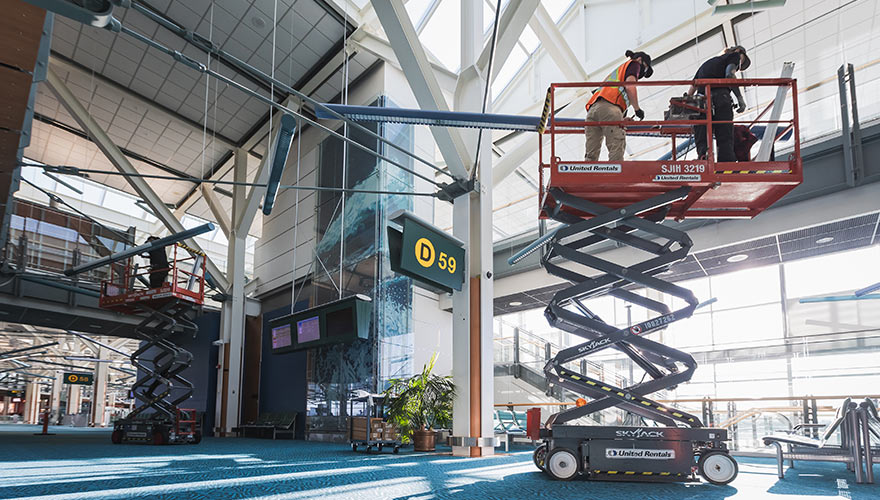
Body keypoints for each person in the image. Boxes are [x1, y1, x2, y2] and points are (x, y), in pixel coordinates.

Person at [584, 50, 653, 162]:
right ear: (640, 60)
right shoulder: (634, 64)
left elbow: (605, 105)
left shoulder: (617, 72)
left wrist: (621, 118)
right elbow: (630, 86)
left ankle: (587, 177)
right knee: (616, 146)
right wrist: (637, 109)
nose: (642, 73)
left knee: (591, 153)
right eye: (644, 69)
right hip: (610, 108)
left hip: (593, 111)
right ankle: (615, 178)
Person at [687, 46, 751, 162]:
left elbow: (692, 88)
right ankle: (726, 163)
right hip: (720, 97)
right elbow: (729, 75)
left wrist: (687, 104)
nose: (738, 67)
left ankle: (703, 157)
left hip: (701, 101)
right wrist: (740, 99)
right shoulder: (734, 56)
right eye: (741, 63)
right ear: (738, 52)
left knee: (702, 131)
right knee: (724, 133)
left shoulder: (708, 63)